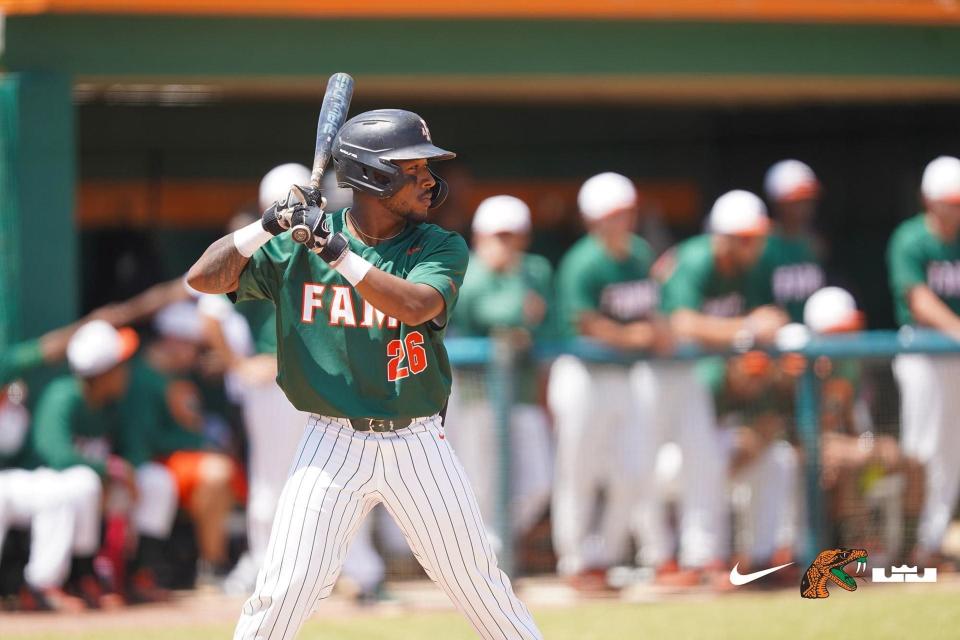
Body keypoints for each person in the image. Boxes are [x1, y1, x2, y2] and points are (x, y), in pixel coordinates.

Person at [187, 108, 542, 640]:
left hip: (417, 442)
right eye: (412, 168)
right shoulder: (297, 245)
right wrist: (267, 226)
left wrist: (335, 250)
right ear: (372, 176)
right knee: (280, 592)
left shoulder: (438, 245)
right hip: (330, 442)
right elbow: (202, 278)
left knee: (480, 586)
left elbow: (415, 305)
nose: (428, 180)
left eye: (426, 167)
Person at [220, 168, 385, 601]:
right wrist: (238, 363)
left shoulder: (330, 246)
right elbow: (207, 307)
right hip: (274, 381)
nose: (297, 213)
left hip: (327, 379)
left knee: (347, 476)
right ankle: (265, 570)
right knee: (273, 480)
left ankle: (358, 572)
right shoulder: (258, 248)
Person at [652, 189, 789, 585]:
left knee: (768, 456)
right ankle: (660, 558)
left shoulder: (757, 267)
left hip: (703, 392)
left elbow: (768, 319)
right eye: (748, 238)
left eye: (758, 236)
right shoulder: (695, 260)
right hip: (657, 378)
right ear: (723, 237)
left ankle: (750, 557)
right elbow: (680, 323)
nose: (758, 245)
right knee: (644, 468)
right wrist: (746, 329)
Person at [548, 172, 664, 589]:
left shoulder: (638, 254)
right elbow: (585, 322)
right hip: (582, 374)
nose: (623, 222)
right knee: (578, 471)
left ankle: (606, 556)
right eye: (614, 215)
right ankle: (577, 562)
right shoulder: (583, 260)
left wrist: (653, 330)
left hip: (624, 378)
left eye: (627, 213)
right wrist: (635, 336)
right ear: (594, 220)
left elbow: (651, 310)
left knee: (633, 470)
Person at [30, 321, 179, 603]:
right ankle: (82, 577)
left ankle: (141, 573)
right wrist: (110, 470)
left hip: (100, 486)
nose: (126, 370)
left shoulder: (117, 401)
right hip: (45, 484)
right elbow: (55, 456)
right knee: (82, 483)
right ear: (102, 373)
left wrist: (125, 471)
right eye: (119, 365)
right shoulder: (63, 396)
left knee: (156, 480)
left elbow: (135, 449)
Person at [447, 195, 554, 550]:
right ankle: (481, 557)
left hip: (521, 391)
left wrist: (522, 318)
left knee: (538, 483)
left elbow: (547, 317)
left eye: (513, 236)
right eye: (498, 236)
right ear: (479, 238)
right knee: (479, 485)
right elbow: (493, 312)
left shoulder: (536, 269)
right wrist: (520, 314)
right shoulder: (467, 271)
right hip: (475, 393)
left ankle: (492, 549)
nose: (506, 245)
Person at [800, 287, 924, 564]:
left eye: (850, 329)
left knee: (914, 464)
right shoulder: (798, 368)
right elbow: (797, 434)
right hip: (809, 456)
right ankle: (850, 555)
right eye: (838, 333)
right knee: (854, 462)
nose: (848, 339)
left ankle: (909, 556)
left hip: (852, 453)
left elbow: (856, 432)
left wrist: (874, 445)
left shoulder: (852, 368)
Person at [888, 155, 960, 570]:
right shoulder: (911, 238)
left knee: (950, 452)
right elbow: (919, 300)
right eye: (946, 201)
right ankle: (903, 543)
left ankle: (929, 544)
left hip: (951, 355)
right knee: (922, 449)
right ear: (928, 201)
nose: (952, 209)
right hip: (922, 354)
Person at [0, 327, 105, 611]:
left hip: (15, 481)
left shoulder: (13, 389)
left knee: (61, 490)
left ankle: (44, 584)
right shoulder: (63, 396)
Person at [758, 160, 826, 322]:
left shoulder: (815, 243)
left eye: (808, 200)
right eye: (796, 201)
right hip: (772, 339)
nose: (805, 207)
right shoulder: (759, 245)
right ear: (778, 202)